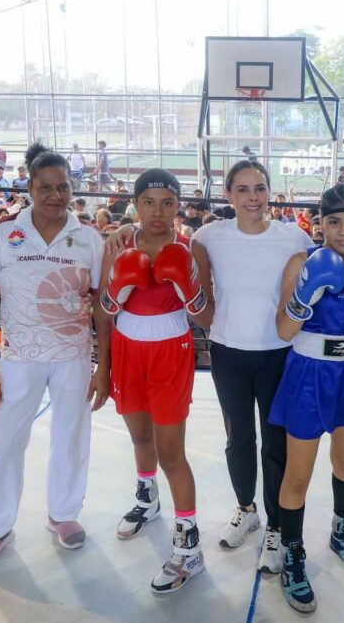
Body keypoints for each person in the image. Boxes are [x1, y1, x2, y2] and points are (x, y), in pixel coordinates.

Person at [0, 142, 107, 573]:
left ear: (71, 189)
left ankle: (63, 514)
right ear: (30, 186)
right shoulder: (3, 234)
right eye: (45, 186)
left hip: (73, 357)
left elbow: (101, 307)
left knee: (71, 437)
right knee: (9, 441)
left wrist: (103, 368)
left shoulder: (89, 239)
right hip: (19, 358)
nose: (55, 195)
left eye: (62, 187)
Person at [268, 184, 344, 613]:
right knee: (298, 476)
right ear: (320, 223)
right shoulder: (300, 263)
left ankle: (341, 533)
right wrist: (306, 297)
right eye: (334, 222)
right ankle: (292, 555)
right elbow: (283, 331)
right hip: (308, 372)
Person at [192, 159, 313, 571]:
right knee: (237, 437)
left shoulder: (293, 237)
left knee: (275, 441)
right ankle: (247, 509)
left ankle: (277, 526)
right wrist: (215, 326)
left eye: (259, 188)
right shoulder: (210, 236)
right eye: (242, 189)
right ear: (228, 195)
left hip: (279, 352)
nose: (252, 197)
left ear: (270, 192)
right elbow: (194, 283)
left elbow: (329, 266)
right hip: (228, 353)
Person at [101, 168, 207, 593]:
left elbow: (205, 317)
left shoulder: (189, 249)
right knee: (139, 438)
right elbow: (105, 309)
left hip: (170, 352)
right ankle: (148, 499)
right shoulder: (119, 243)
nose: (158, 211)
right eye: (149, 202)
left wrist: (190, 290)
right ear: (136, 205)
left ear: (178, 205)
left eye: (167, 202)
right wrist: (116, 291)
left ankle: (189, 550)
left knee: (171, 453)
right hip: (128, 349)